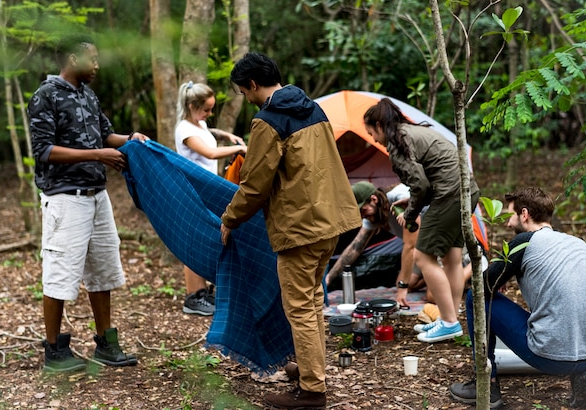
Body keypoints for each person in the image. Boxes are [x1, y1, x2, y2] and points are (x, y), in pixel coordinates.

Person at [219, 52, 360, 409]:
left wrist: (229, 218)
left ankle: (313, 392)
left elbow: (254, 184)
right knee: (312, 302)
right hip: (331, 220)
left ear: (253, 84)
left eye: (243, 91)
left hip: (300, 227)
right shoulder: (314, 108)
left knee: (300, 307)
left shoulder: (268, 120)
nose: (246, 98)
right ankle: (312, 371)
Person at [28, 33, 148, 372]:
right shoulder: (45, 95)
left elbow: (104, 134)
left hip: (97, 195)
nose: (97, 65)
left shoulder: (88, 95)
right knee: (60, 273)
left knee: (103, 270)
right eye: (91, 59)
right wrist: (98, 154)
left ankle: (106, 344)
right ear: (71, 59)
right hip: (65, 199)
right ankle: (54, 351)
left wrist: (129, 139)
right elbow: (44, 151)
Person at [449, 187, 586, 409]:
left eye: (510, 215)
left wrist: (496, 278)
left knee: (473, 297)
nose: (507, 224)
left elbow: (483, 287)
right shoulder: (578, 243)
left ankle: (486, 385)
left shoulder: (525, 241)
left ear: (524, 214)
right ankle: (581, 375)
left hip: (551, 357)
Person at [363, 98, 480, 343]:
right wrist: (416, 202)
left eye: (371, 132)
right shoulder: (412, 131)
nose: (373, 138)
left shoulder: (397, 145)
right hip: (468, 190)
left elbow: (420, 184)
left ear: (379, 125)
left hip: (449, 194)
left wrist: (411, 212)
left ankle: (449, 322)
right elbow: (424, 183)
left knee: (423, 256)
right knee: (451, 256)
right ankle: (450, 317)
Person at [174, 81, 246, 315]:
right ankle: (192, 297)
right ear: (192, 106)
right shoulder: (184, 130)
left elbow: (208, 133)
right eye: (206, 109)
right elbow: (210, 152)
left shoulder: (198, 124)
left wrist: (227, 135)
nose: (209, 114)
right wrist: (239, 149)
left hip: (206, 190)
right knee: (194, 242)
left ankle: (203, 292)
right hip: (194, 191)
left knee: (206, 239)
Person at [324, 181, 420, 307]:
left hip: (441, 242)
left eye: (363, 210)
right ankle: (431, 279)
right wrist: (328, 279)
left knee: (431, 295)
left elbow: (410, 246)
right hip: (424, 249)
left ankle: (445, 277)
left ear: (373, 199)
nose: (363, 216)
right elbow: (355, 248)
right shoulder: (376, 212)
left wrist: (402, 290)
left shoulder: (399, 197)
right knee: (406, 282)